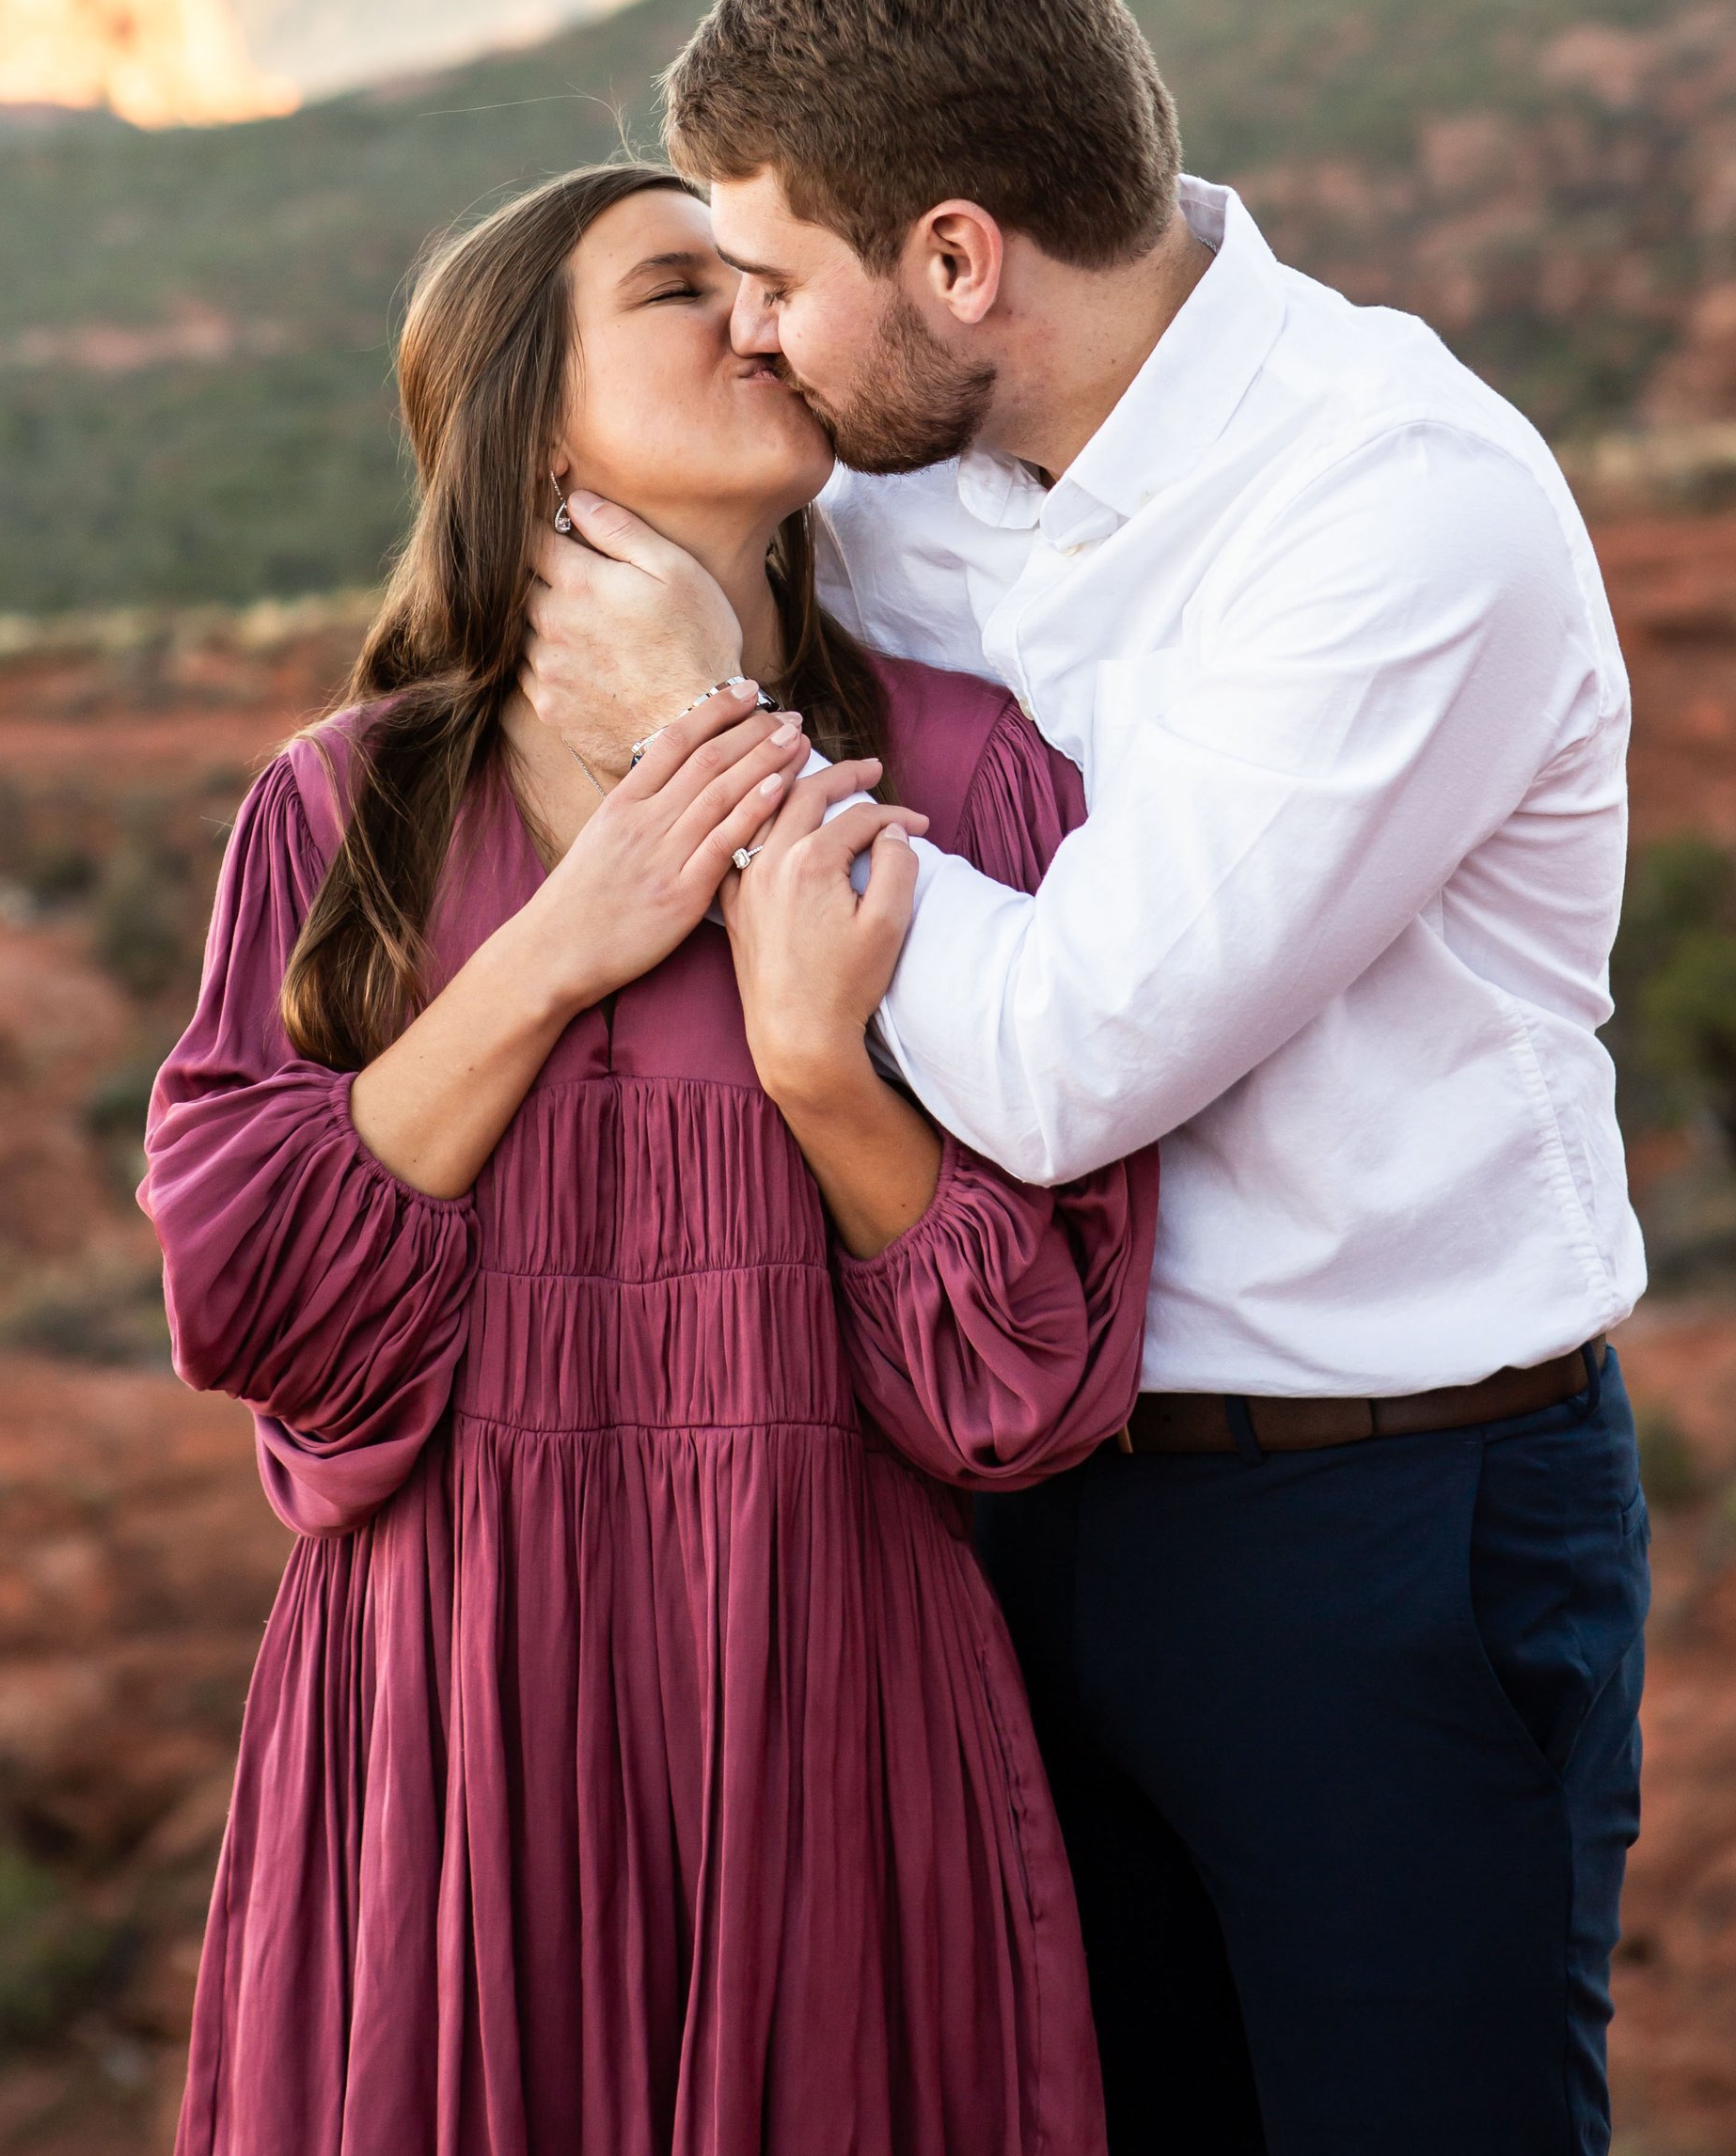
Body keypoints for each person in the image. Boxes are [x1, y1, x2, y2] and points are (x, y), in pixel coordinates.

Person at [522, 0, 1650, 2156]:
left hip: (1378, 1530)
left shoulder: (1390, 509)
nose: (750, 339)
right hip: (1008, 1501)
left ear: (955, 259)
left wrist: (717, 734)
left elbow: (1060, 1059)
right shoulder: (919, 462)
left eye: (770, 281)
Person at [141, 161, 1155, 2156]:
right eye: (675, 289)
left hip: (826, 1709)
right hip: (446, 1728)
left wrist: (812, 1066)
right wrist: (555, 946)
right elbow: (249, 1298)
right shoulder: (344, 815)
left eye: (758, 279)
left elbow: (1025, 1379)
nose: (754, 319)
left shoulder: (967, 775)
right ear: (530, 418)